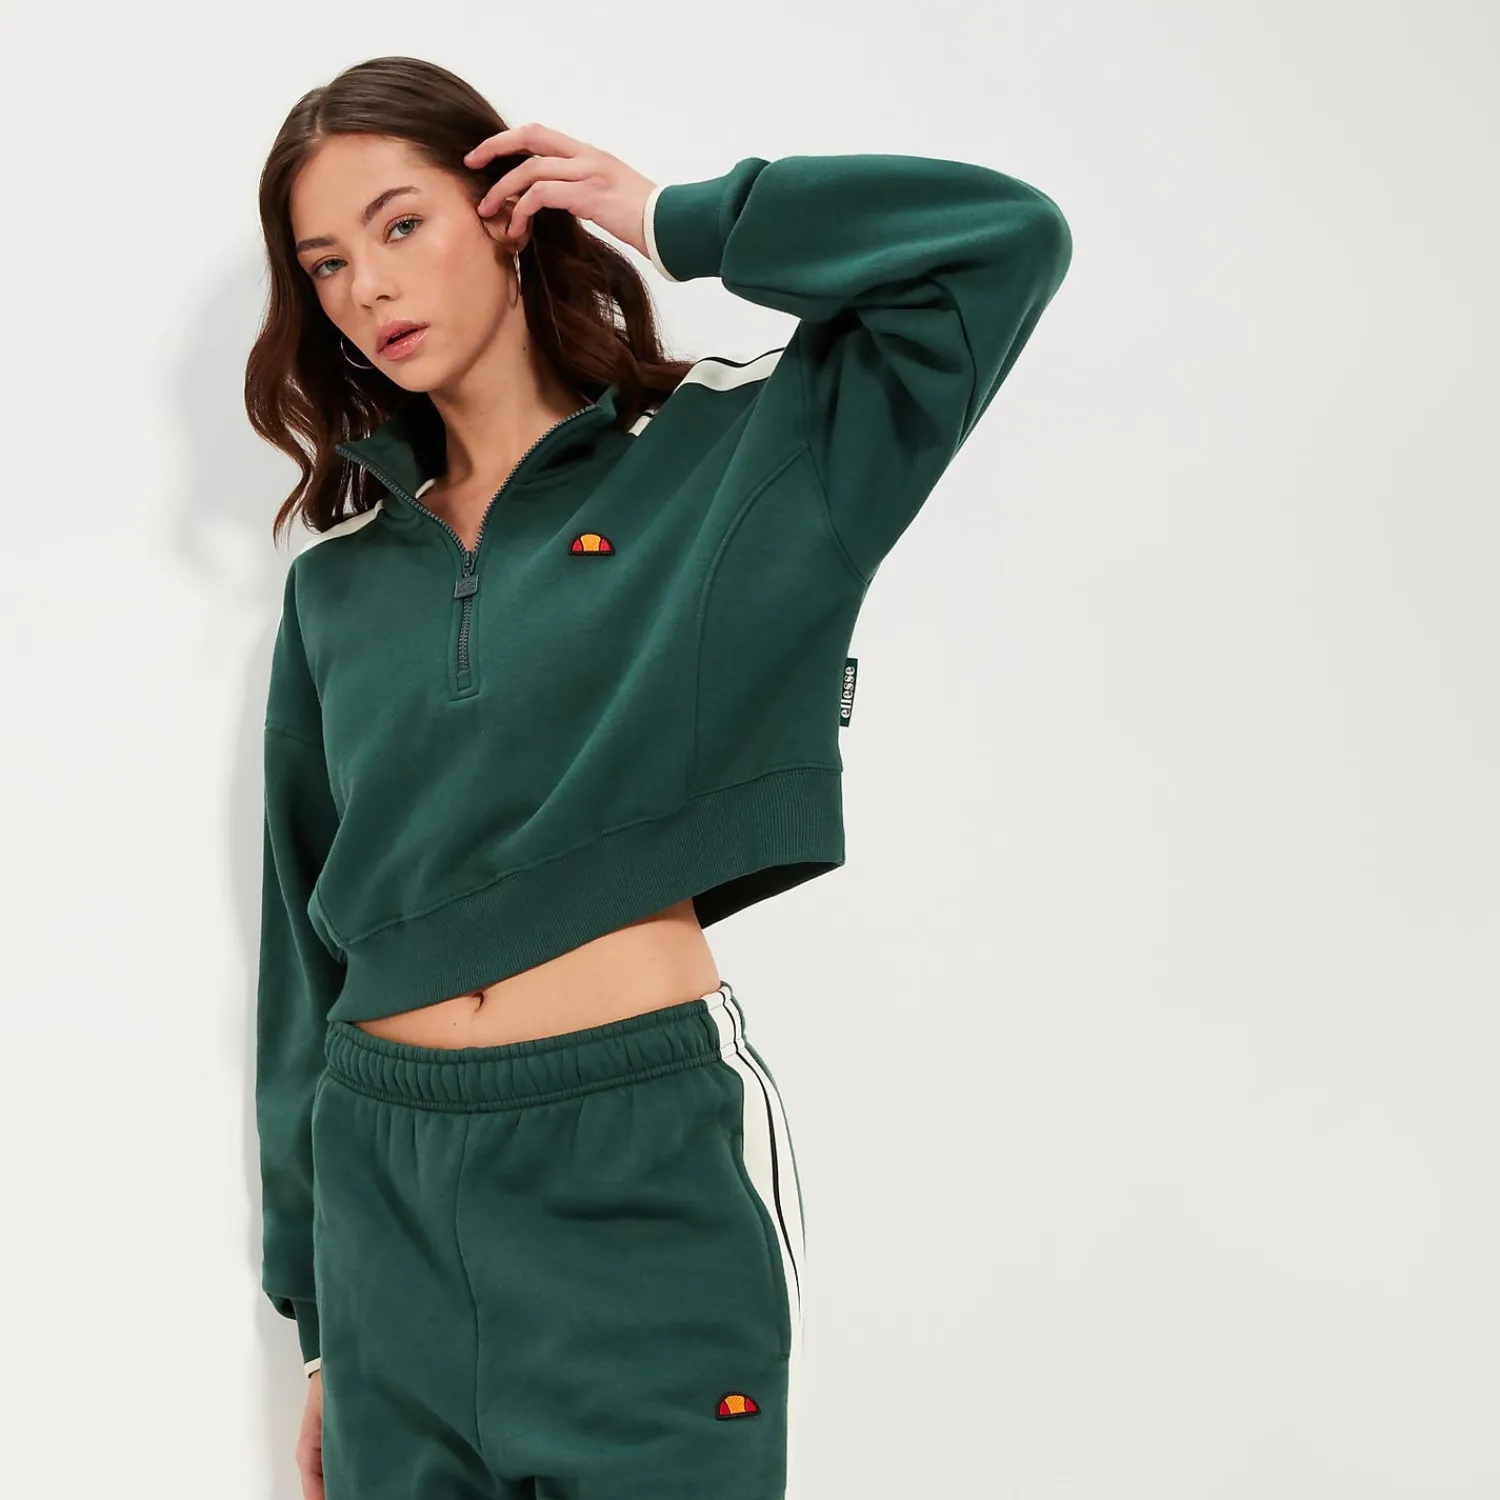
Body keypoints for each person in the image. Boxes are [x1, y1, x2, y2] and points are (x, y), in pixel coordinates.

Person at [250, 53, 1071, 1500]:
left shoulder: (736, 455)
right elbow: (301, 948)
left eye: (400, 225)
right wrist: (320, 1322)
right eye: (325, 264)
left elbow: (1003, 242)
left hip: (629, 1167)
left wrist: (674, 215)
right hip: (385, 1199)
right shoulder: (337, 587)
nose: (367, 288)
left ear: (507, 214)